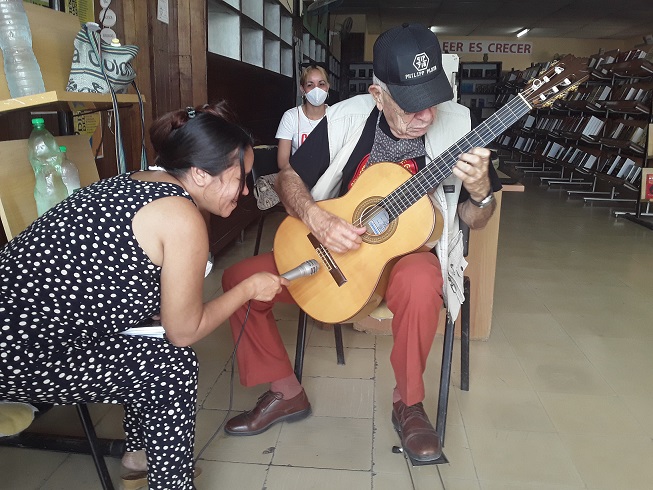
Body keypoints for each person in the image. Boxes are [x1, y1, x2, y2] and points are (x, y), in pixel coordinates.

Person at [221, 24, 502, 463]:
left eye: (432, 100)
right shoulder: (346, 117)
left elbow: (473, 219)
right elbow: (291, 175)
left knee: (418, 280)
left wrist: (482, 192)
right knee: (238, 279)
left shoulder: (462, 130)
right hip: (334, 251)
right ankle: (284, 389)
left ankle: (408, 404)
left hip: (406, 260)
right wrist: (315, 217)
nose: (425, 116)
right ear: (377, 94)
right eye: (410, 106)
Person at [0, 102, 286, 489]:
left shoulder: (134, 181)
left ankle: (140, 459)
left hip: (19, 331)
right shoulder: (180, 217)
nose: (246, 190)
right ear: (201, 174)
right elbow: (184, 331)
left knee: (148, 338)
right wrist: (249, 287)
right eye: (241, 178)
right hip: (18, 351)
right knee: (172, 366)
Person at [275, 64, 330, 171]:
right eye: (310, 85)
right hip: (298, 177)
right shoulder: (291, 117)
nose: (316, 89)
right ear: (302, 89)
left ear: (327, 87)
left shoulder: (336, 116)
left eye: (321, 84)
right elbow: (282, 163)